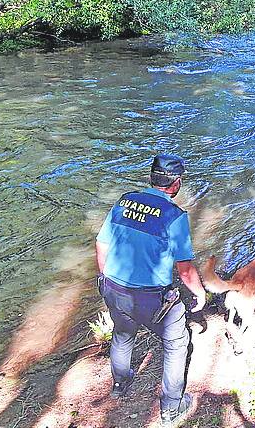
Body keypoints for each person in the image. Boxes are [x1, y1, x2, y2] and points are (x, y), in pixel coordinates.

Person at [95, 154, 207, 427]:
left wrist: (105, 278)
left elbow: (101, 244)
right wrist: (201, 293)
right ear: (176, 183)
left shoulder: (124, 201)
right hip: (151, 298)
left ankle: (120, 384)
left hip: (112, 287)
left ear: (151, 177)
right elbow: (185, 270)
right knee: (177, 343)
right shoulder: (174, 216)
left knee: (122, 334)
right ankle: (171, 407)